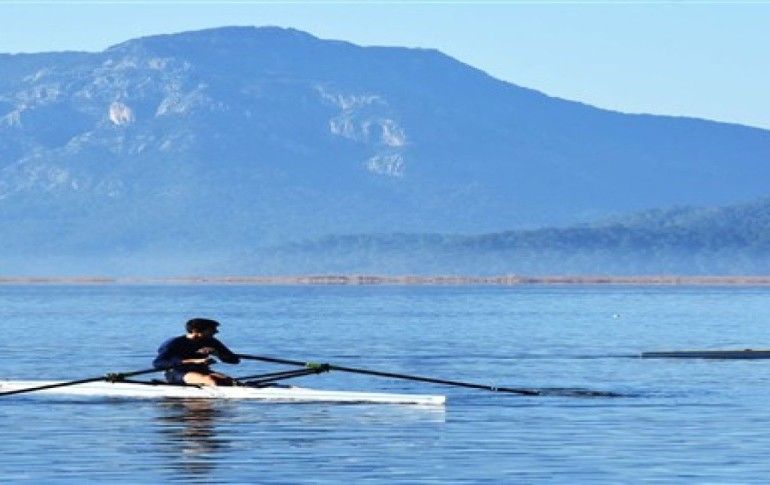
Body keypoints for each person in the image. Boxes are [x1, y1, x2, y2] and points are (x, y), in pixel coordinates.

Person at [153, 318, 241, 386]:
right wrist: (194, 361)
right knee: (210, 380)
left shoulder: (211, 341)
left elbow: (234, 360)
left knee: (232, 382)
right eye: (212, 329)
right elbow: (158, 363)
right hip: (177, 372)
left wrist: (217, 353)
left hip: (202, 371)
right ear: (195, 331)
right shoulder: (174, 342)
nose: (216, 331)